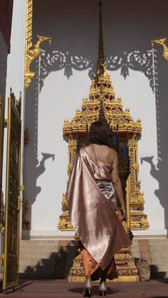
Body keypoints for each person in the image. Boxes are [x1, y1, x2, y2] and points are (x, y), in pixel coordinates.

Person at [66, 120, 131, 296]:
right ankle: (102, 284)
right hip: (108, 197)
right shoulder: (112, 153)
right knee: (106, 240)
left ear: (91, 134)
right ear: (105, 134)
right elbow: (116, 181)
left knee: (88, 239)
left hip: (89, 199)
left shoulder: (83, 152)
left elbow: (76, 179)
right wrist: (123, 206)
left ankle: (88, 281)